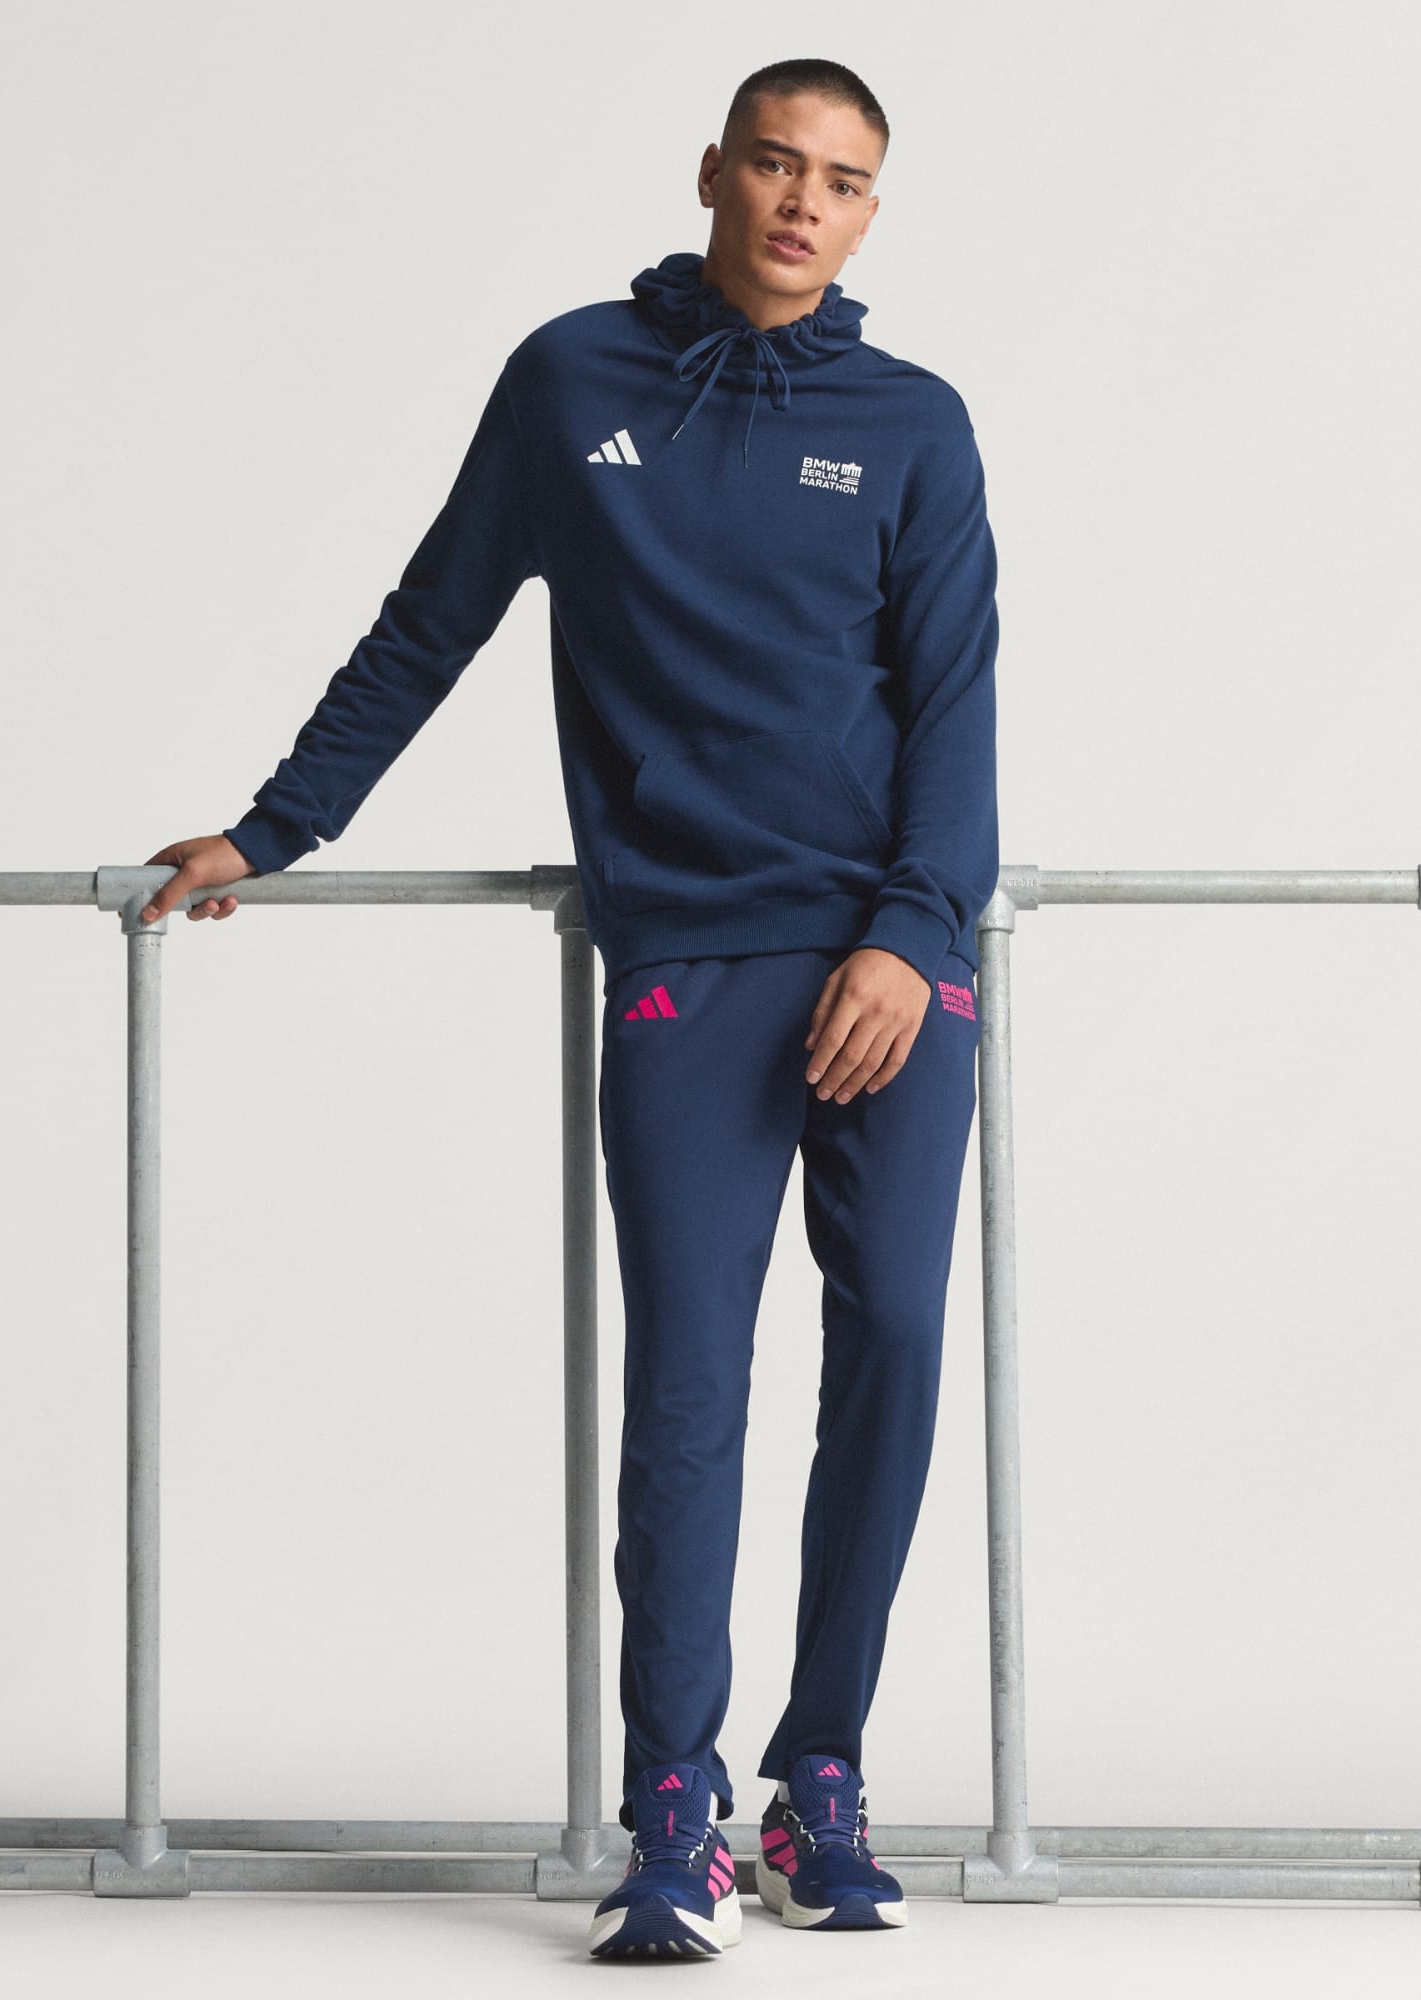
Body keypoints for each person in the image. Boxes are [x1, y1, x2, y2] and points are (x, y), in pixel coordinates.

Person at [141, 56, 999, 1962]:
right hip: (689, 949)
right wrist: (277, 827)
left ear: (872, 212)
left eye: (843, 180)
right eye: (775, 162)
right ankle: (674, 1804)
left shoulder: (916, 426)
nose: (803, 201)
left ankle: (823, 1773)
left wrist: (909, 933)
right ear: (714, 172)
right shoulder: (569, 381)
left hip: (891, 960)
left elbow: (955, 709)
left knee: (897, 1341)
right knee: (688, 1381)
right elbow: (429, 621)